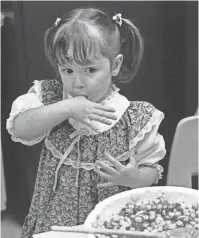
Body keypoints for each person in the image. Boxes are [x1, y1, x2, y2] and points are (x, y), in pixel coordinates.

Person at [6, 7, 166, 237]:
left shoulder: (135, 118)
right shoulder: (49, 98)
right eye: (67, 70)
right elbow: (19, 128)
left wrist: (133, 177)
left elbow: (151, 170)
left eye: (90, 69)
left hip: (107, 222)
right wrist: (66, 108)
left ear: (116, 65)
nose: (77, 83)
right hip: (55, 220)